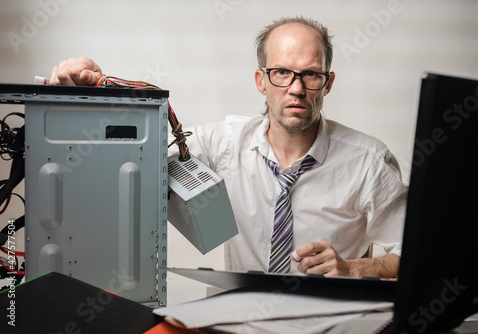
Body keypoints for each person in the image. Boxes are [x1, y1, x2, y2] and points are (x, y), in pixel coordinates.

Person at [49, 16, 407, 278]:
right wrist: (98, 88)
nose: (296, 88)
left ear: (327, 84)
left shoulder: (369, 162)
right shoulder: (224, 143)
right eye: (281, 72)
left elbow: (415, 255)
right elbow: (132, 159)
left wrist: (356, 267)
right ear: (260, 81)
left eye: (310, 74)